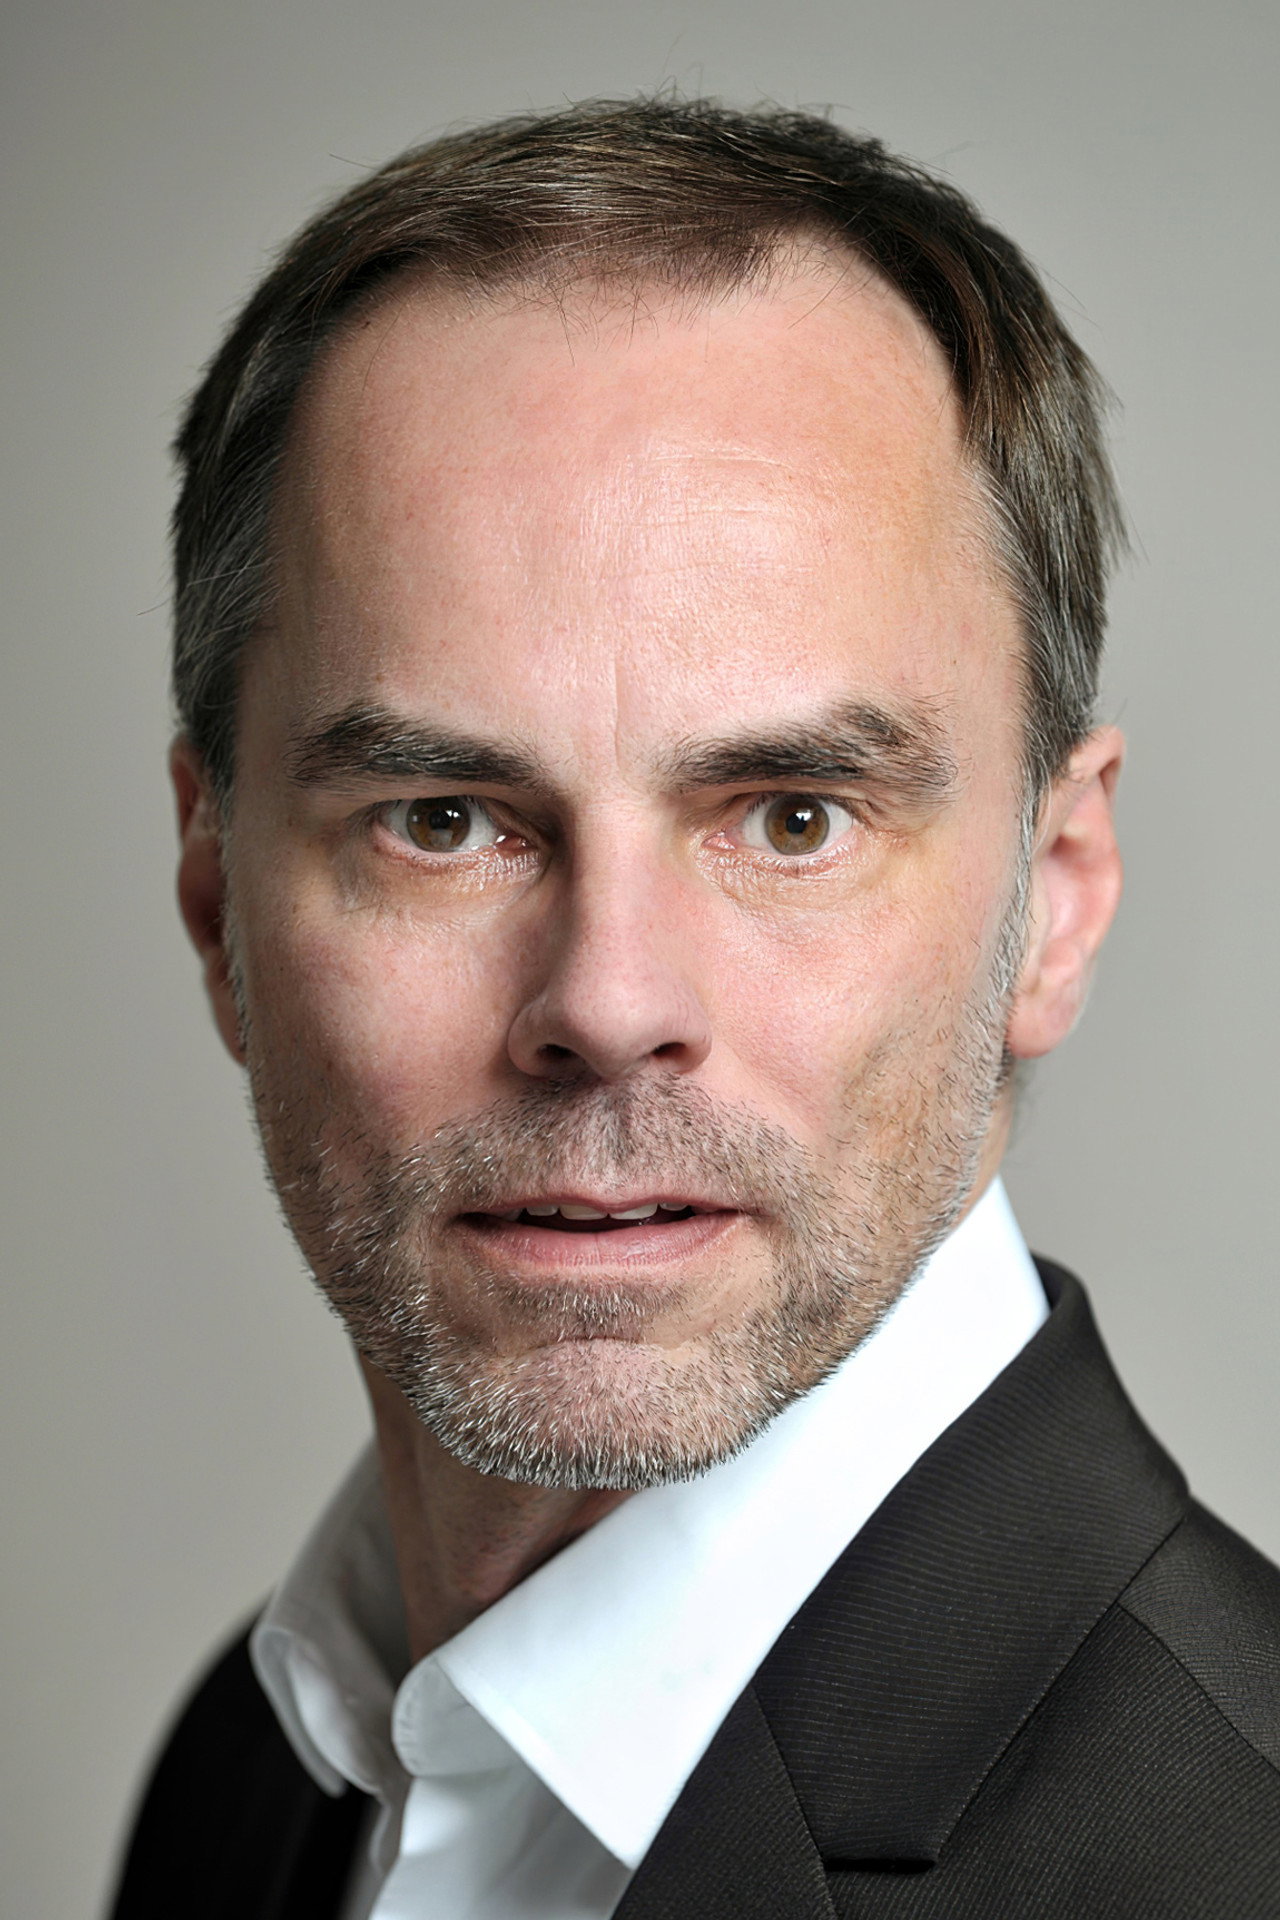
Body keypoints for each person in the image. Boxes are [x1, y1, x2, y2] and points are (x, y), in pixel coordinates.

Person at [109, 96, 1280, 1920]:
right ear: (215, 902)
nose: (607, 1002)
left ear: (1053, 899)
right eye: (443, 820)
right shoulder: (249, 1778)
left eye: (793, 818)